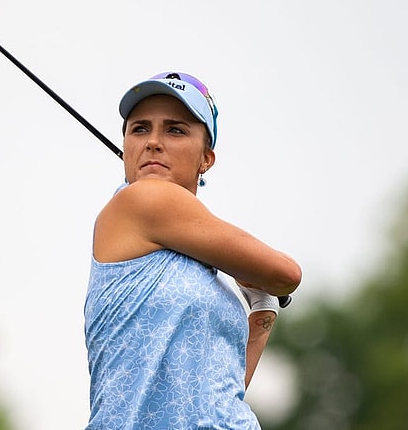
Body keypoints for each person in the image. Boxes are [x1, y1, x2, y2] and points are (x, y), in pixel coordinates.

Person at [84, 72, 302, 429]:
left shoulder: (199, 271)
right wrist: (261, 279)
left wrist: (261, 312)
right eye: (140, 129)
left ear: (206, 158)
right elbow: (287, 274)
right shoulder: (139, 200)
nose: (153, 142)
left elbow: (218, 395)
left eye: (175, 130)